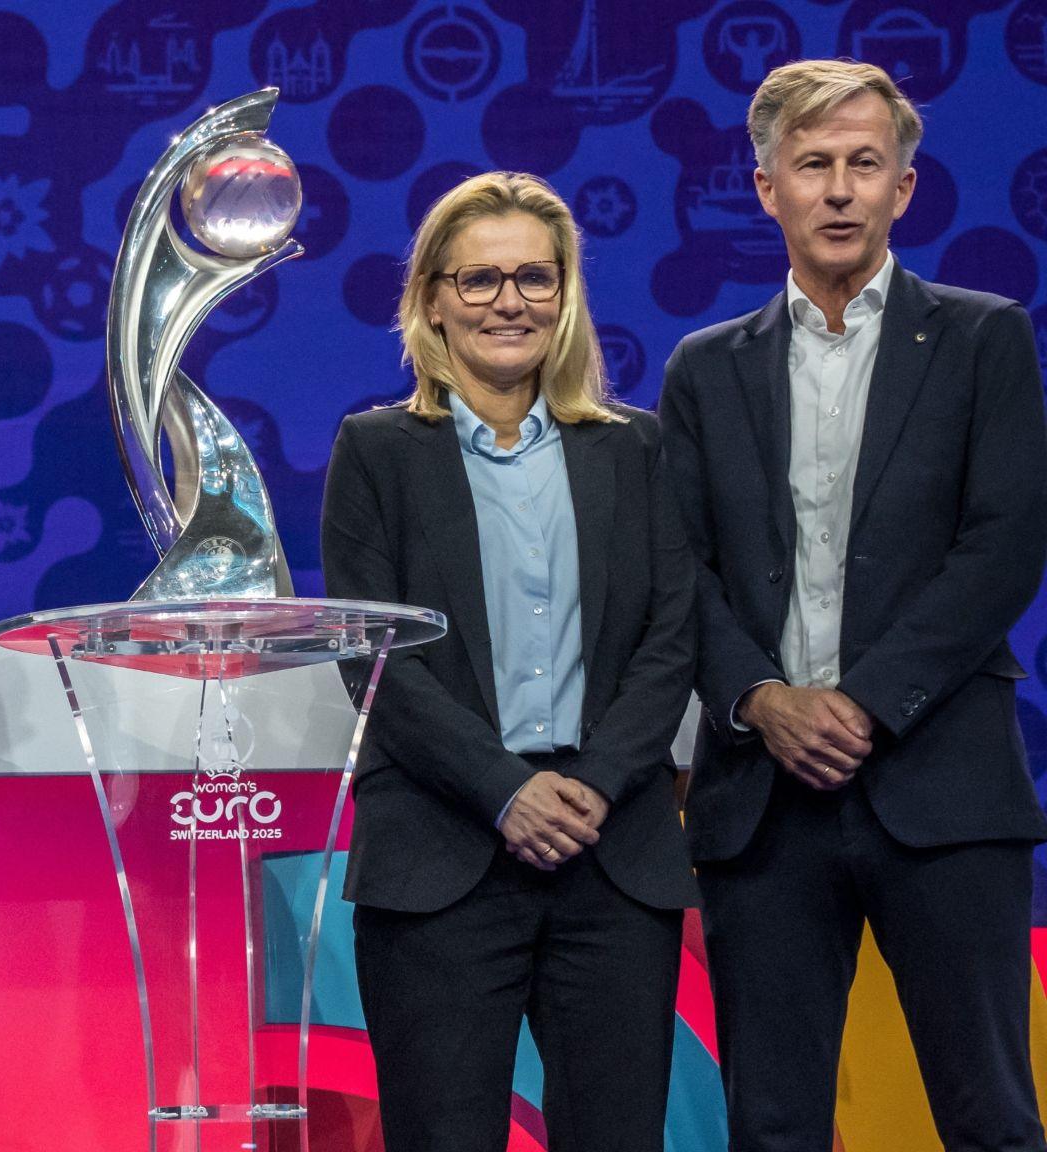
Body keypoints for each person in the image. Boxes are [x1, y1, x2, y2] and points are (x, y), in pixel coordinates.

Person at [660, 58, 1047, 1151]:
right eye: (812, 164)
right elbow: (675, 571)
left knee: (989, 1117)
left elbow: (1001, 547)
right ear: (765, 187)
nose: (837, 189)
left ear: (902, 190)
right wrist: (759, 699)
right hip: (761, 808)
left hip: (941, 792)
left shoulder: (981, 339)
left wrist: (864, 702)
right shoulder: (702, 370)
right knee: (772, 1126)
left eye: (862, 165)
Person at [321, 171, 698, 1152]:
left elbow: (670, 636)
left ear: (565, 295)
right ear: (432, 299)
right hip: (440, 853)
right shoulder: (375, 452)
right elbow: (369, 652)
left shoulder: (634, 450)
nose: (506, 302)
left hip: (609, 853)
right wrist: (501, 789)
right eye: (478, 279)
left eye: (532, 277)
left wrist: (597, 783)